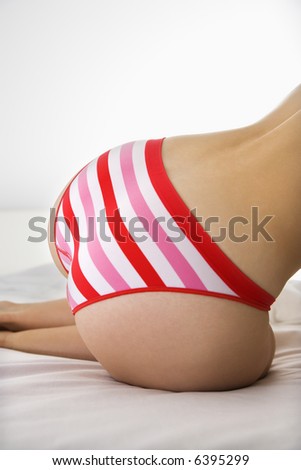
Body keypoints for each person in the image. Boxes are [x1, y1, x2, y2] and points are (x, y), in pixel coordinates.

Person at [0, 85, 300, 392]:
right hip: (200, 269)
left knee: (145, 298)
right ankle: (13, 335)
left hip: (121, 178)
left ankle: (17, 313)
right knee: (253, 350)